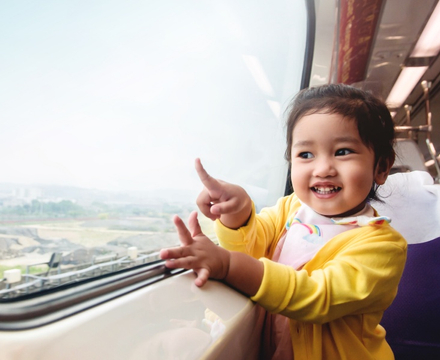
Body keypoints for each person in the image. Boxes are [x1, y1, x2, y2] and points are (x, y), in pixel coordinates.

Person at [160, 83, 407, 359]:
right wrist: (237, 212)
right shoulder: (290, 209)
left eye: (342, 151)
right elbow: (251, 245)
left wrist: (228, 265)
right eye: (305, 155)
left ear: (382, 167)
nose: (322, 168)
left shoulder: (383, 247)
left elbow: (317, 296)